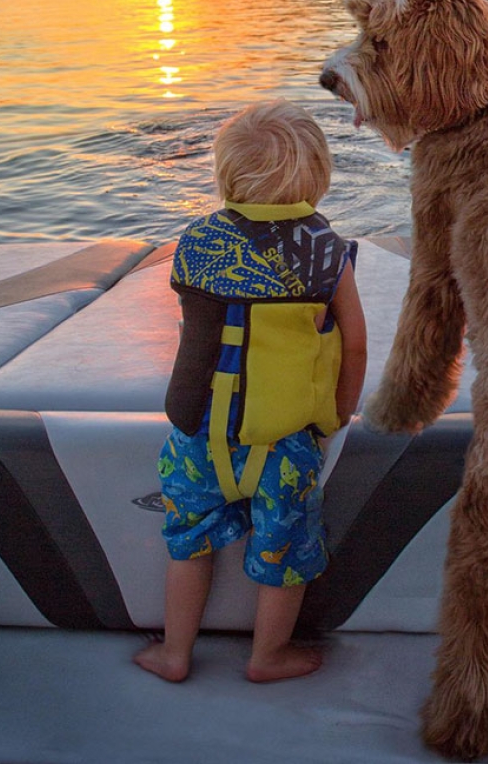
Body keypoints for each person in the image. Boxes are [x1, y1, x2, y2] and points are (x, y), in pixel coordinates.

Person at [134, 100, 367, 684]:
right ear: (318, 177)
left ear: (225, 175)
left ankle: (174, 653)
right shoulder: (327, 253)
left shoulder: (194, 242)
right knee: (283, 553)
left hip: (199, 433)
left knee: (189, 543)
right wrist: (338, 412)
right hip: (285, 440)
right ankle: (266, 657)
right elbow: (356, 344)